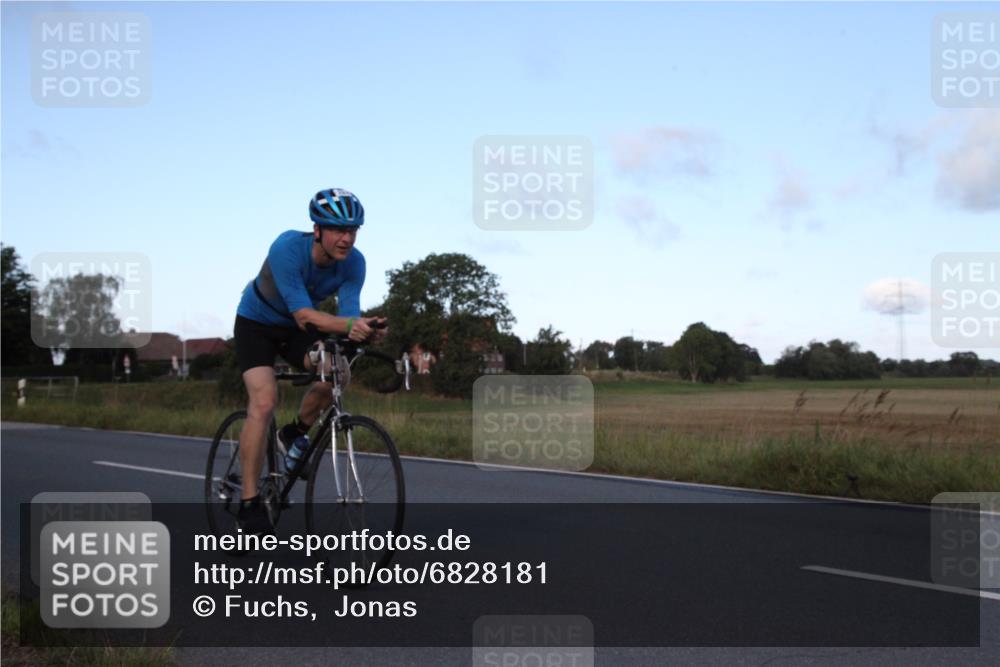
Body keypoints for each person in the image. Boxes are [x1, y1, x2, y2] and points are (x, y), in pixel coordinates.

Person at [232, 188, 387, 534]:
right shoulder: (287, 248)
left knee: (336, 370)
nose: (346, 238)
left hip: (294, 329)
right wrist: (350, 326)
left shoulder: (354, 263)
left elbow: (347, 318)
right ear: (317, 230)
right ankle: (248, 501)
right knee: (264, 401)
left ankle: (295, 432)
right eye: (337, 229)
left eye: (352, 230)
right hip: (257, 324)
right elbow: (304, 315)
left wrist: (366, 331)